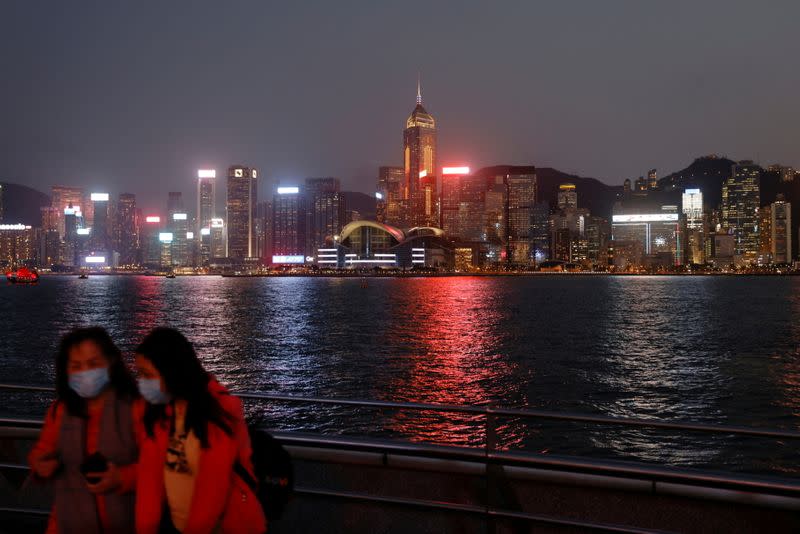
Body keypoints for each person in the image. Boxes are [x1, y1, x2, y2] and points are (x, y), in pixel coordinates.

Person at [133, 327, 267, 534]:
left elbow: (212, 490)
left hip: (225, 526)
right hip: (177, 524)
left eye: (147, 375)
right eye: (139, 374)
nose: (141, 382)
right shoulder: (157, 414)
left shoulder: (219, 413)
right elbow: (149, 482)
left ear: (172, 372)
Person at [28, 327, 144, 534]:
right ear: (65, 370)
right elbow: (43, 449)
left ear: (111, 363)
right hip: (67, 524)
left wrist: (122, 478)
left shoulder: (136, 408)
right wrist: (40, 464)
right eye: (76, 366)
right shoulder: (60, 411)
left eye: (93, 364)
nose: (85, 372)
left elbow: (158, 466)